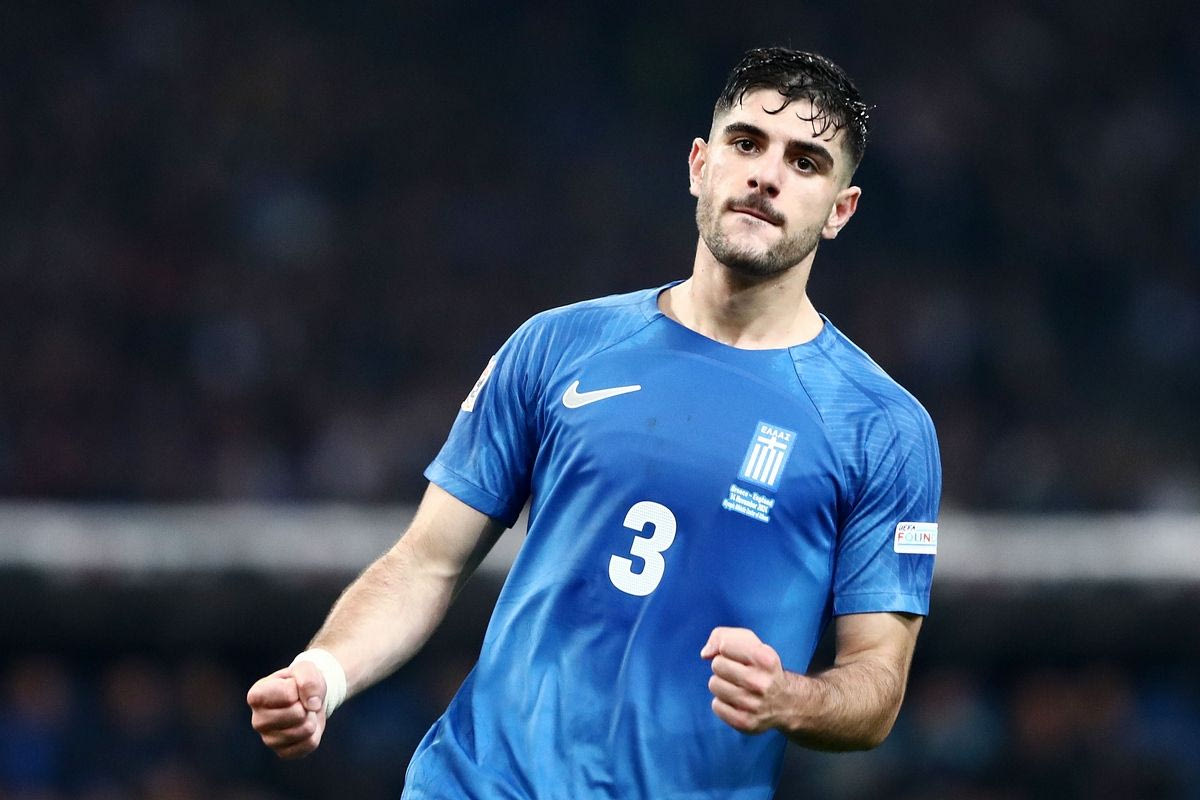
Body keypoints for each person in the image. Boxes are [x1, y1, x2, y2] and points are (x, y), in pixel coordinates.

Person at [248, 46, 941, 799]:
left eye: (805, 162)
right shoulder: (556, 347)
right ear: (699, 165)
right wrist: (325, 672)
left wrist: (791, 699)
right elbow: (426, 563)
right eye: (747, 143)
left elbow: (877, 684)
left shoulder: (882, 428)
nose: (766, 175)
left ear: (841, 210)